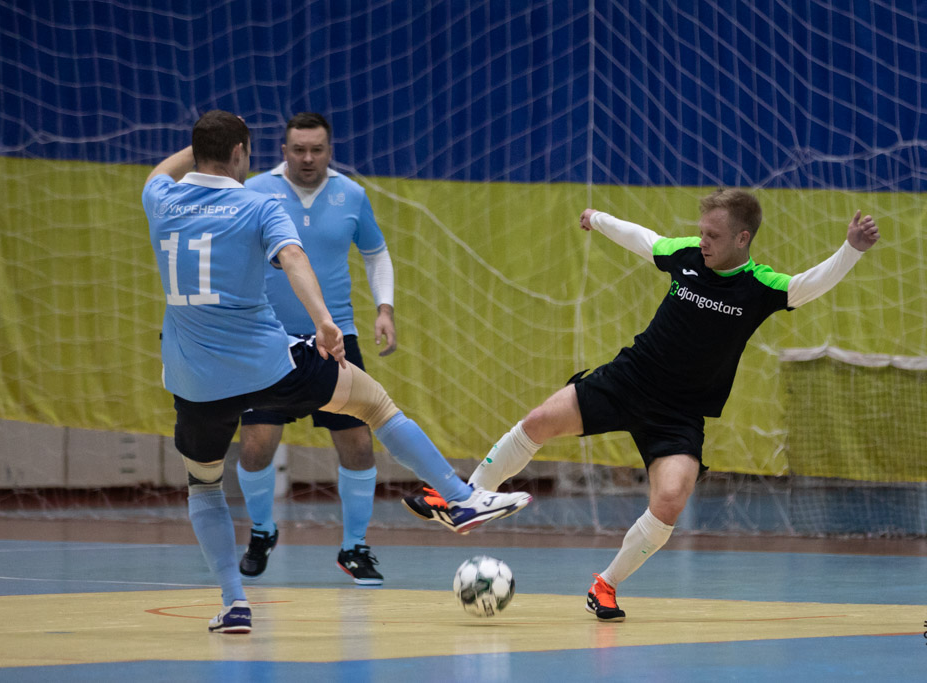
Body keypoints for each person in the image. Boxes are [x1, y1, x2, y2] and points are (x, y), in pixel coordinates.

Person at [404, 189, 880, 621]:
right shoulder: (686, 256)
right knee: (540, 420)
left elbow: (810, 283)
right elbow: (644, 239)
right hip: (630, 379)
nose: (703, 241)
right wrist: (597, 218)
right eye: (701, 232)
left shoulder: (760, 286)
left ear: (743, 238)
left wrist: (851, 250)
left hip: (679, 414)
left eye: (713, 236)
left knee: (670, 499)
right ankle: (464, 498)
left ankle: (605, 584)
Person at [142, 110, 531, 634]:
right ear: (240, 153)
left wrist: (204, 141)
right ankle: (460, 499)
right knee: (375, 404)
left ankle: (235, 604)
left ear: (198, 150)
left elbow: (159, 172)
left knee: (204, 487)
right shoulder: (259, 203)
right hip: (266, 366)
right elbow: (294, 258)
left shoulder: (160, 199)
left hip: (194, 382)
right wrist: (325, 322)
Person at [237, 113, 396, 586]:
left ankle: (354, 547)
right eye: (299, 149)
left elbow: (376, 253)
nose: (308, 158)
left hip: (336, 338)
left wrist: (384, 309)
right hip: (268, 338)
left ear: (330, 150)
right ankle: (262, 531)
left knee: (358, 444)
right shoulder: (254, 193)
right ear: (283, 150)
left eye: (317, 150)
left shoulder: (353, 195)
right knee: (255, 445)